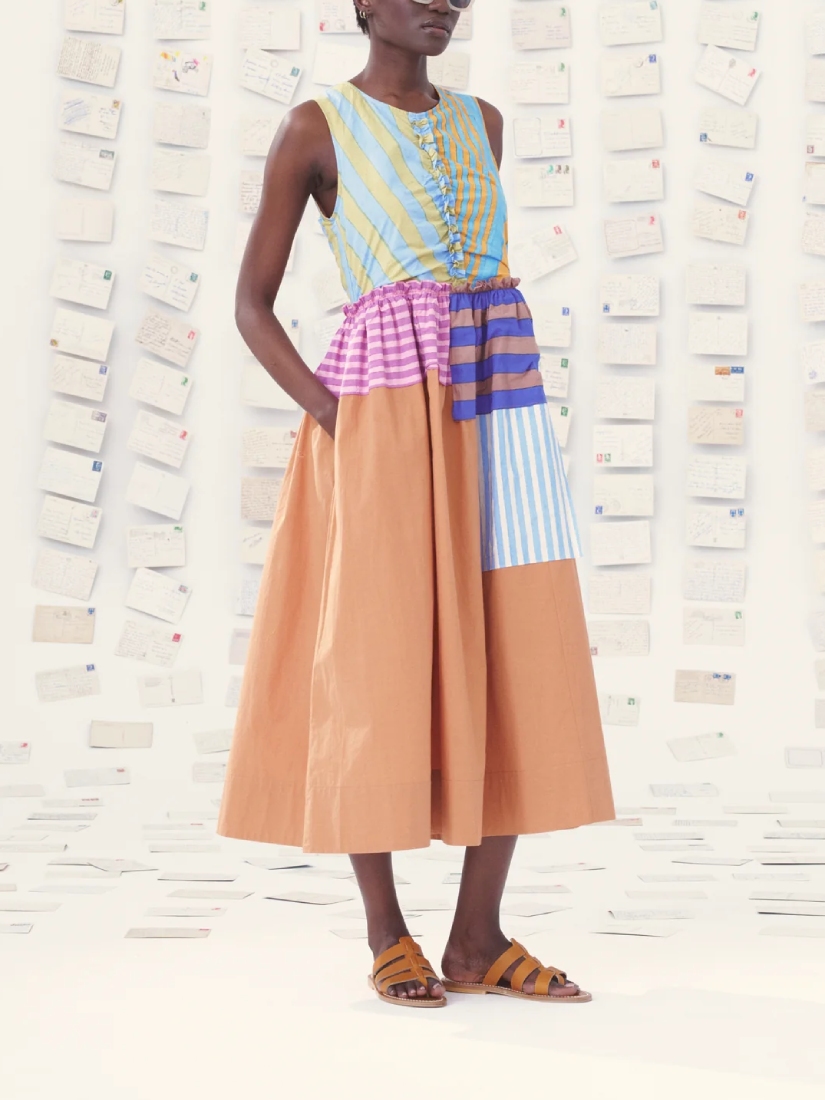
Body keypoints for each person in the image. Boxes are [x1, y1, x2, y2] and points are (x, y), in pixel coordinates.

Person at [217, 0, 615, 1007]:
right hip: (384, 410)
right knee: (375, 654)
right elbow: (251, 304)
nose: (442, 2)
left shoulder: (483, 123)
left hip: (501, 402)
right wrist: (335, 415)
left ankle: (477, 937)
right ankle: (386, 931)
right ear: (361, 3)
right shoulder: (316, 127)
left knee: (518, 644)